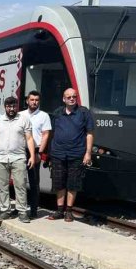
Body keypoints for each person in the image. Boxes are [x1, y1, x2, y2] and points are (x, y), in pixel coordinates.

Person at [48, 87, 94, 222]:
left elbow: (90, 133)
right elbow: (51, 133)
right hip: (58, 154)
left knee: (73, 183)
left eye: (74, 96)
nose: (72, 99)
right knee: (59, 182)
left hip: (76, 154)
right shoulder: (57, 113)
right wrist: (49, 154)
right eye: (69, 97)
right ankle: (59, 210)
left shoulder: (84, 113)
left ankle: (69, 211)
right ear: (64, 99)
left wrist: (88, 153)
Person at [0, 95, 35, 223]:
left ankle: (22, 211)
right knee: (2, 186)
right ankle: (5, 210)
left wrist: (32, 155)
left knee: (20, 185)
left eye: (14, 106)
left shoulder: (24, 120)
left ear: (17, 107)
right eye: (9, 106)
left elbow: (29, 138)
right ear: (5, 107)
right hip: (0, 157)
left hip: (18, 157)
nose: (11, 109)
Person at [24, 90, 53, 219]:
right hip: (20, 151)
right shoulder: (20, 115)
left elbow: (46, 134)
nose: (34, 102)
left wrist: (39, 152)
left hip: (35, 151)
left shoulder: (44, 116)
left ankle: (34, 209)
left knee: (34, 181)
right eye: (32, 100)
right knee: (19, 181)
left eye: (36, 100)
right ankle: (20, 208)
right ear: (27, 101)